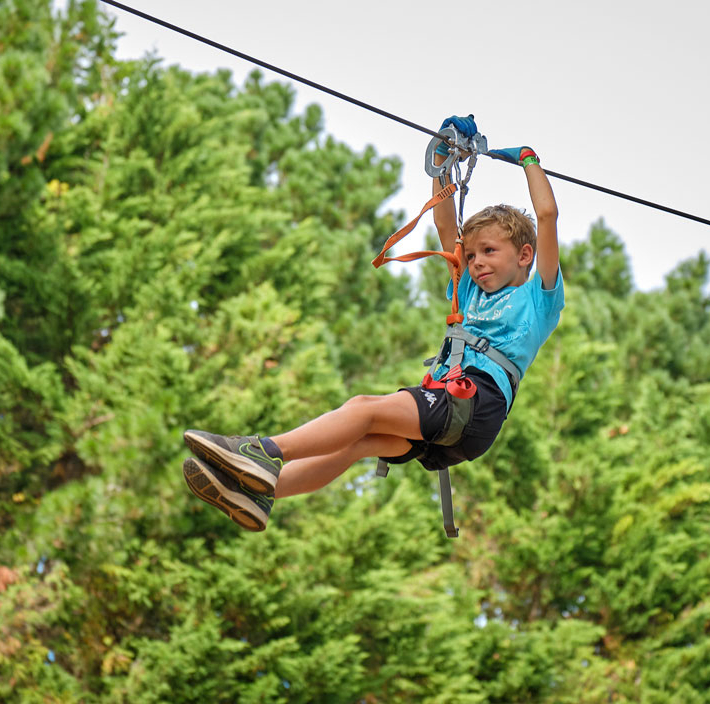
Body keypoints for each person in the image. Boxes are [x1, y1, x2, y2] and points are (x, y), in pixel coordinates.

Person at [182, 116, 564, 532]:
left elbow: (546, 215)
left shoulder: (537, 299)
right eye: (470, 256)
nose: (476, 263)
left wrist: (528, 160)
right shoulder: (470, 290)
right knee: (357, 442)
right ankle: (259, 496)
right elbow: (444, 224)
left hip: (475, 404)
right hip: (455, 406)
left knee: (363, 409)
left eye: (489, 251)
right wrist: (439, 162)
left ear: (524, 256)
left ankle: (263, 450)